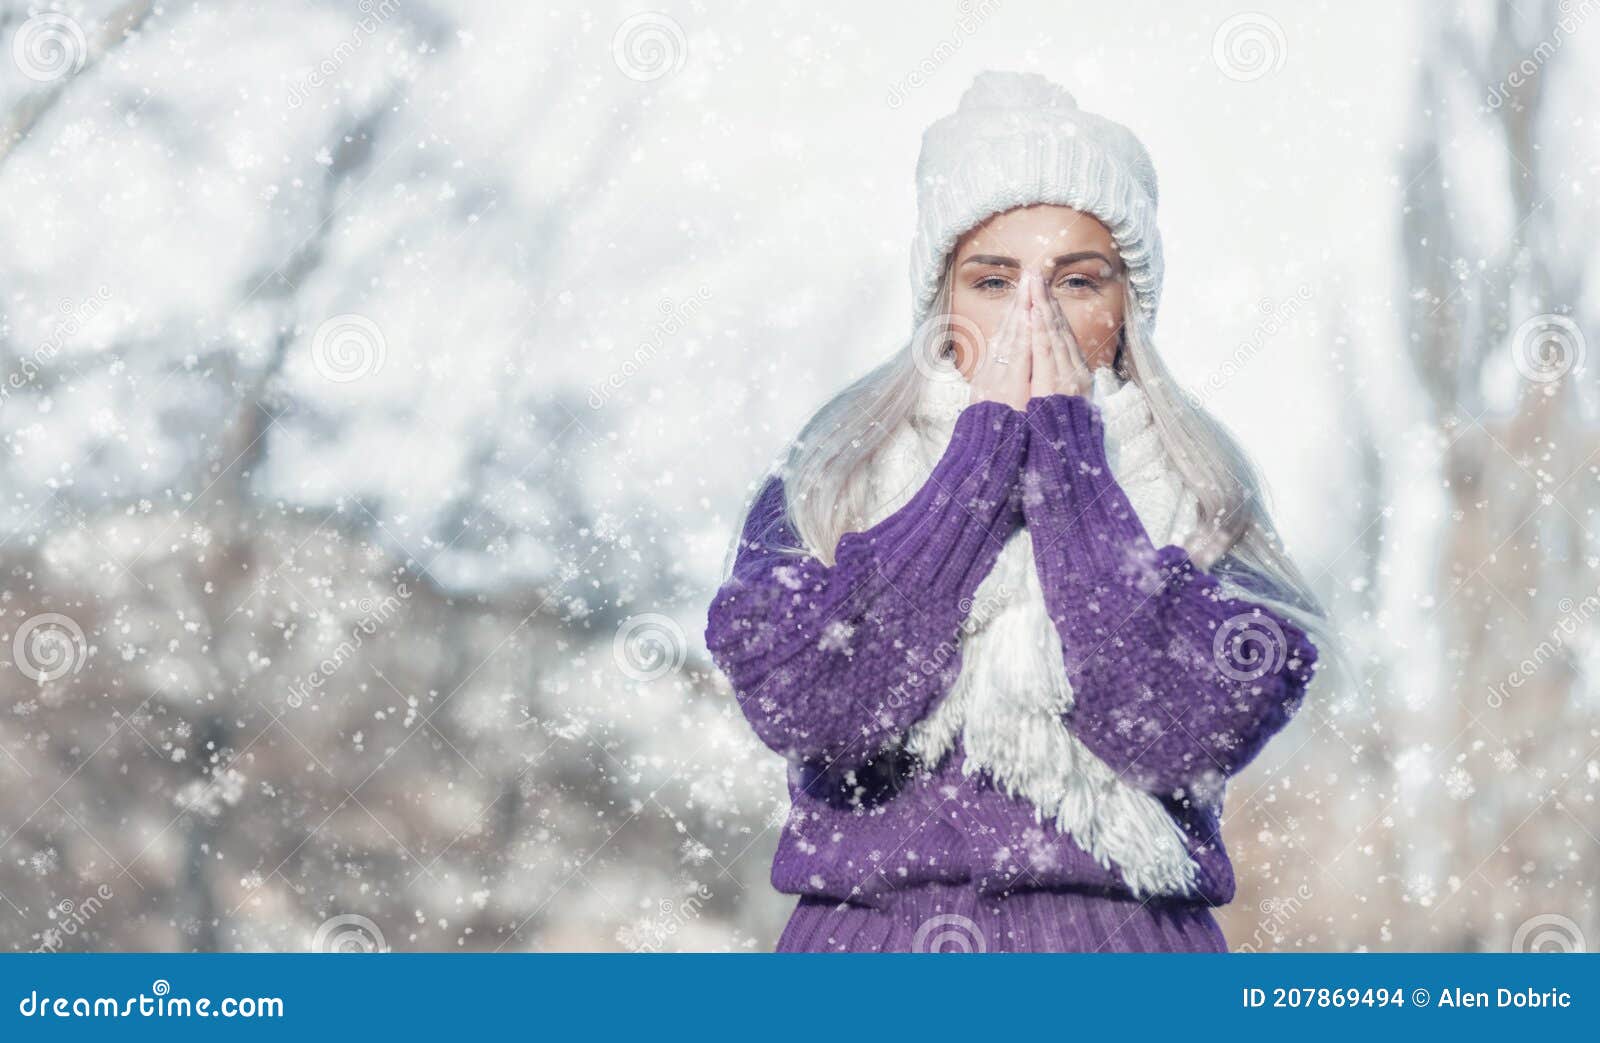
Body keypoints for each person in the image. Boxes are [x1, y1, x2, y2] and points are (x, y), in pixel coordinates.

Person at [704, 69, 1338, 953]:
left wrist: (1071, 466)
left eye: (1077, 282)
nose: (1031, 315)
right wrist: (983, 455)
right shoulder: (827, 479)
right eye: (994, 281)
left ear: (1128, 309)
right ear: (942, 301)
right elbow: (824, 708)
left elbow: (1175, 730)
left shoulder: (1205, 494)